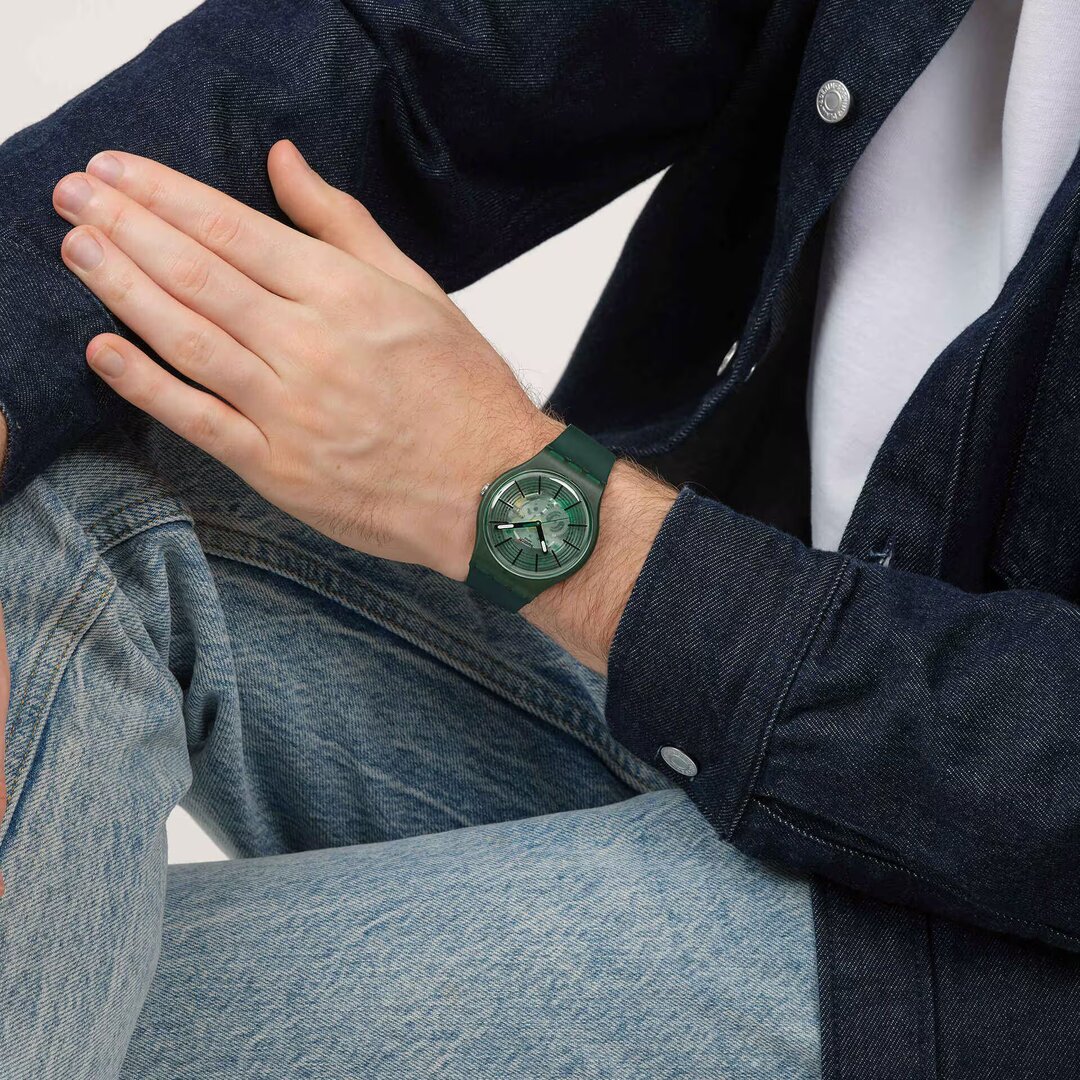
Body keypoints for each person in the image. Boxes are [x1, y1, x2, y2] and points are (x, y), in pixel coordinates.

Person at [2, 0, 1080, 1077]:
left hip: (1015, 957)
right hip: (741, 737)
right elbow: (429, 43)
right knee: (74, 439)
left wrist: (536, 511)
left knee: (95, 1020)